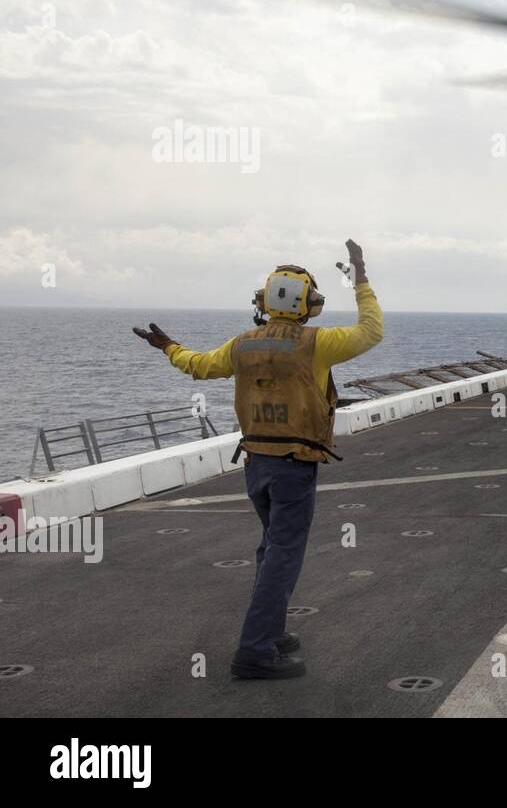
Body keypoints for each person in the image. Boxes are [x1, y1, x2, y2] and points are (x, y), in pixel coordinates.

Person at [133, 239, 383, 680]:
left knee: (271, 550)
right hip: (294, 463)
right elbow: (371, 330)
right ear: (309, 304)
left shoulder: (241, 346)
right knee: (284, 555)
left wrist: (168, 346)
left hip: (256, 462)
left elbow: (198, 365)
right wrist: (360, 273)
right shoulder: (317, 344)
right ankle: (254, 652)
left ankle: (273, 632)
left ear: (264, 302)